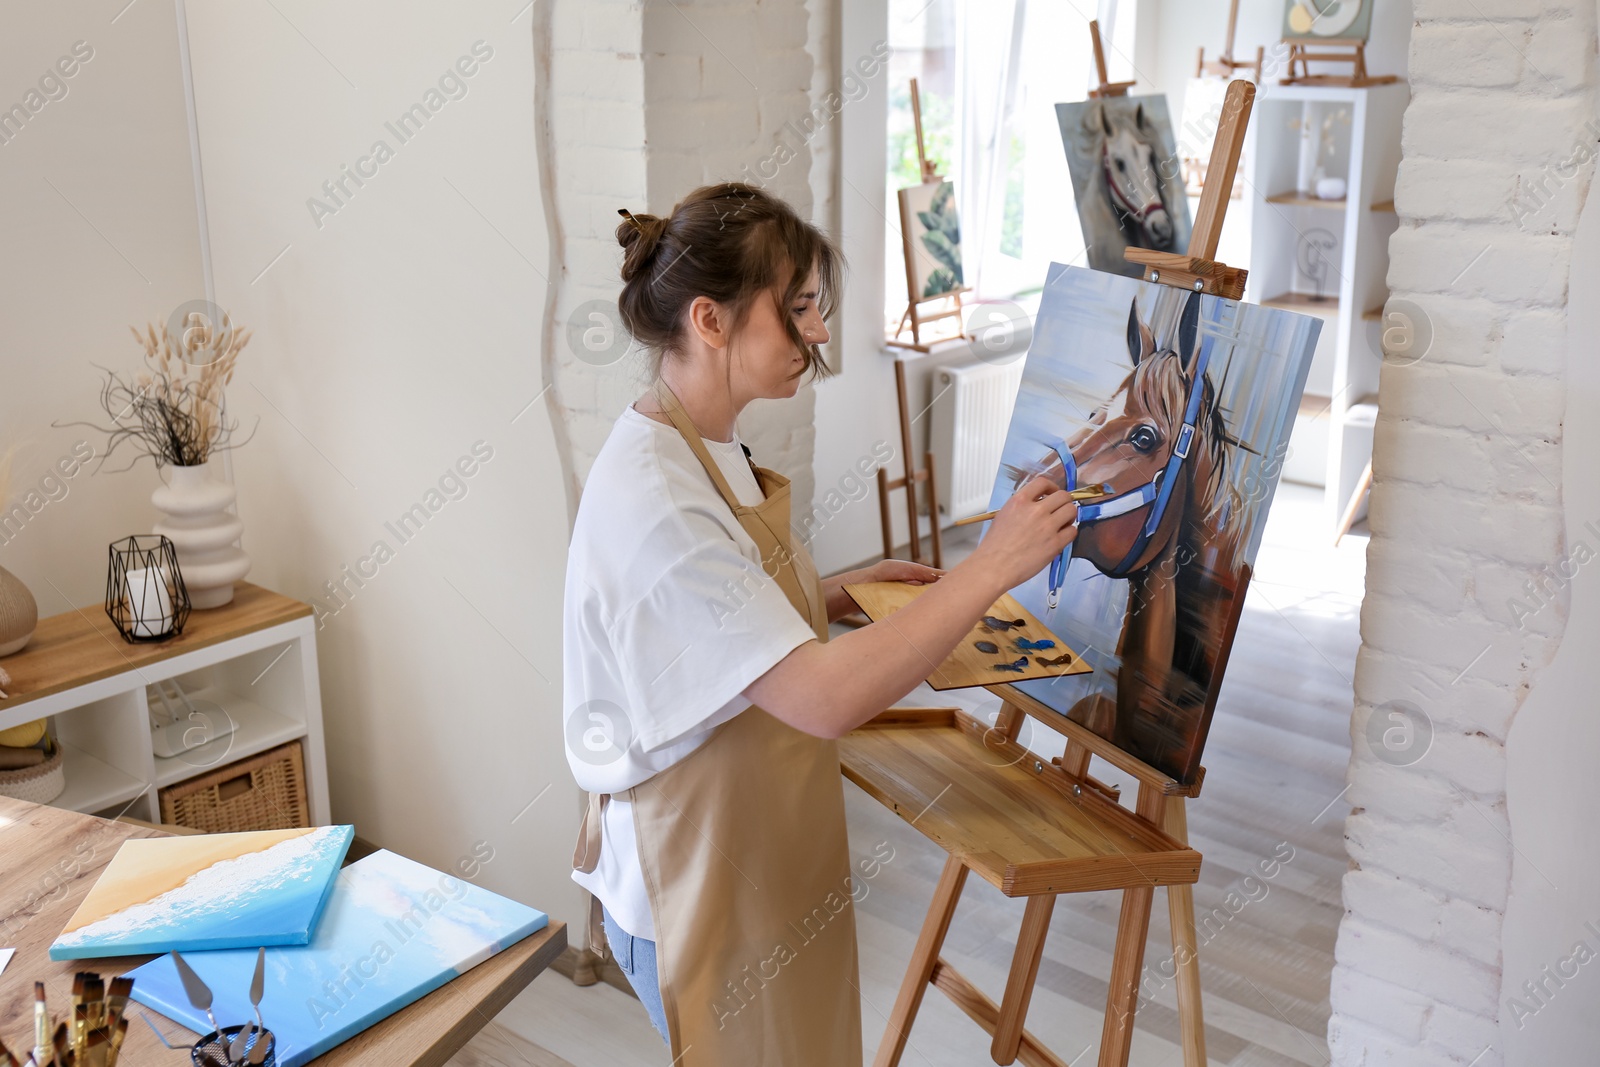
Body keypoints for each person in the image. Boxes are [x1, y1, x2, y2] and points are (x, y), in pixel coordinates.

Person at [563, 182, 1076, 1065]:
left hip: (756, 848)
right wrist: (993, 566)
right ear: (711, 321)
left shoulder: (705, 440)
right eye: (797, 307)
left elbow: (728, 617)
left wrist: (834, 593)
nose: (821, 332)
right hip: (697, 883)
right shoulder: (659, 505)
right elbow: (821, 695)